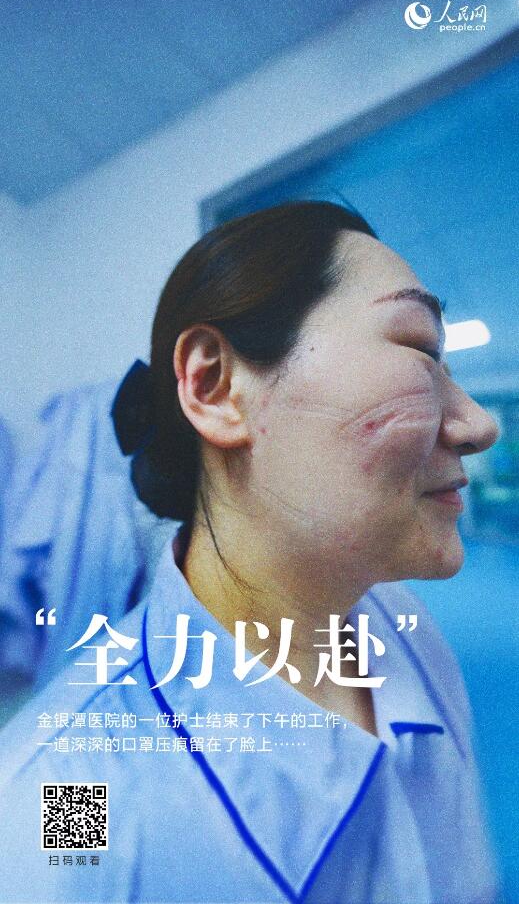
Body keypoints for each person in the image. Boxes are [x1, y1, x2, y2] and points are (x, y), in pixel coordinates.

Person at [0, 201, 500, 903]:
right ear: (215, 387)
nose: (478, 424)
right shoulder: (63, 796)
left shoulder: (406, 631)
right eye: (419, 349)